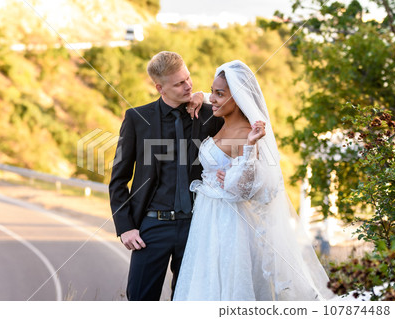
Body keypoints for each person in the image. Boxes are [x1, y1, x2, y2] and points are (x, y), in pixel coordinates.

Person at [173, 60, 334, 301]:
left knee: (227, 286)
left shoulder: (247, 134)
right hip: (207, 220)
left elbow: (246, 189)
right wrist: (200, 95)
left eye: (219, 94)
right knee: (204, 284)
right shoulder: (222, 123)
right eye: (213, 92)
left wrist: (248, 148)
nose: (213, 99)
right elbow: (215, 98)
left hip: (229, 223)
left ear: (238, 97)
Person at [109, 51, 223, 300]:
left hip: (197, 225)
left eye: (188, 78)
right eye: (179, 83)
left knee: (188, 301)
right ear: (160, 88)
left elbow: (242, 112)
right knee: (140, 299)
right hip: (152, 226)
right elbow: (119, 178)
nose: (188, 85)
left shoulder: (208, 115)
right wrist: (126, 227)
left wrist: (202, 95)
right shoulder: (137, 119)